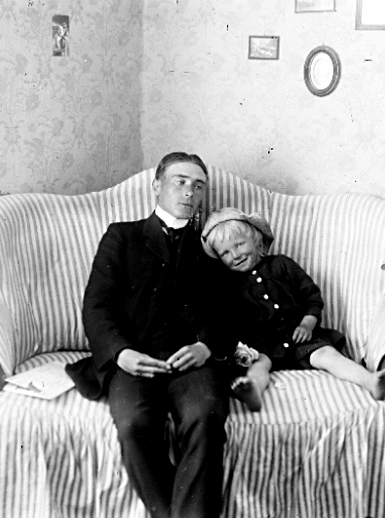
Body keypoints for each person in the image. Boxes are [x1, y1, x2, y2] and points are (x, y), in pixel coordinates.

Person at [66, 152, 230, 518]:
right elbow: (96, 305)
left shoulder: (209, 246)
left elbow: (226, 311)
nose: (189, 192)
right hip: (133, 360)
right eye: (180, 182)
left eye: (198, 186)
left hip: (192, 364)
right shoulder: (122, 236)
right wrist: (120, 352)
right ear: (156, 186)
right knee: (133, 424)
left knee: (205, 416)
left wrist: (206, 347)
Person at [201, 207, 385, 412]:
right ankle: (253, 391)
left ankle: (371, 381)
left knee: (328, 355)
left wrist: (307, 323)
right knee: (258, 365)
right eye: (225, 253)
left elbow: (312, 296)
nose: (235, 255)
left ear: (256, 240)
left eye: (239, 244)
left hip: (300, 336)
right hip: (262, 345)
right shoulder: (228, 284)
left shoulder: (281, 264)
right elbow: (226, 319)